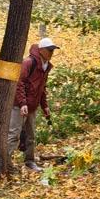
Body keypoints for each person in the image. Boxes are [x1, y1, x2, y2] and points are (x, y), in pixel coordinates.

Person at [7, 36, 59, 172]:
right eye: (49, 50)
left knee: (31, 135)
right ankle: (6, 163)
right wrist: (22, 103)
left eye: (53, 50)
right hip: (19, 105)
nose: (52, 53)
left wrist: (45, 106)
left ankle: (30, 161)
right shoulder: (28, 62)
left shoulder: (46, 66)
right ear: (41, 50)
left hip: (32, 106)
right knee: (14, 134)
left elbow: (41, 89)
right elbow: (19, 83)